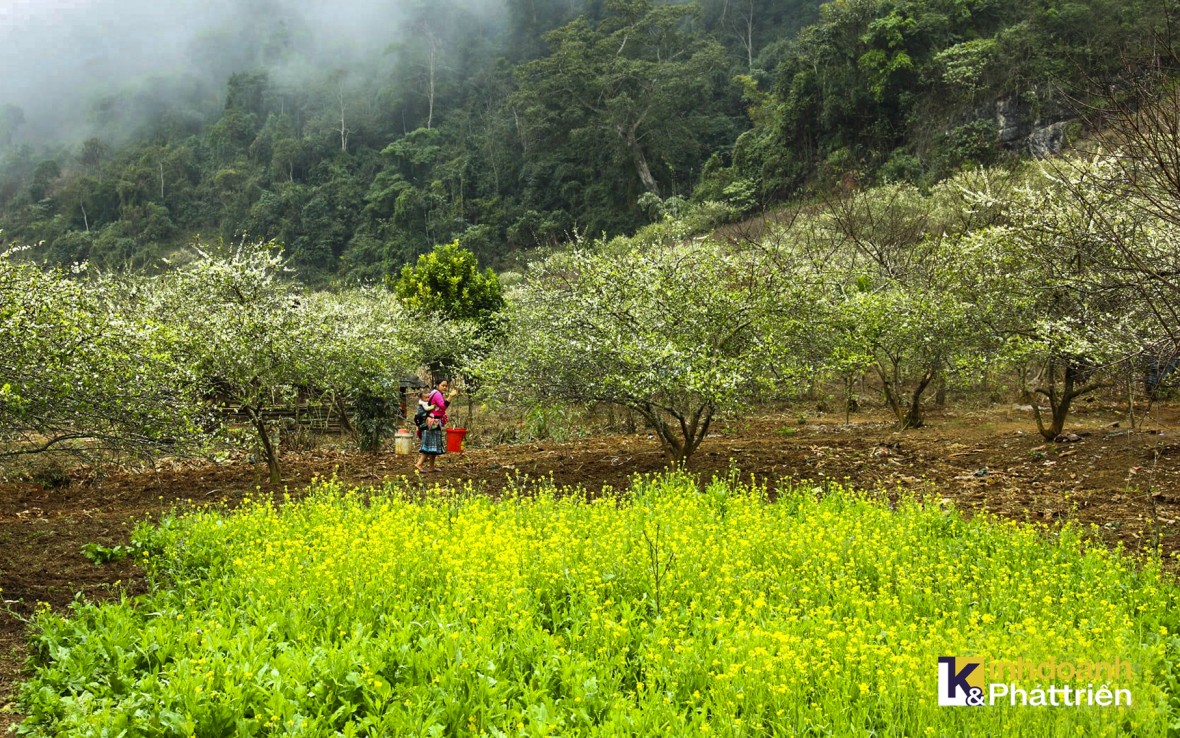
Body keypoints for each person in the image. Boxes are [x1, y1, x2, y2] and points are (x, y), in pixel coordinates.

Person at [414, 379, 458, 473]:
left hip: (435, 422)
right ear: (437, 385)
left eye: (446, 386)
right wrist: (450, 396)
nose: (445, 388)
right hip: (432, 423)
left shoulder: (436, 393)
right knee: (429, 445)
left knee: (434, 446)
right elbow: (442, 406)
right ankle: (419, 464)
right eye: (443, 385)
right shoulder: (437, 394)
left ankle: (431, 467)